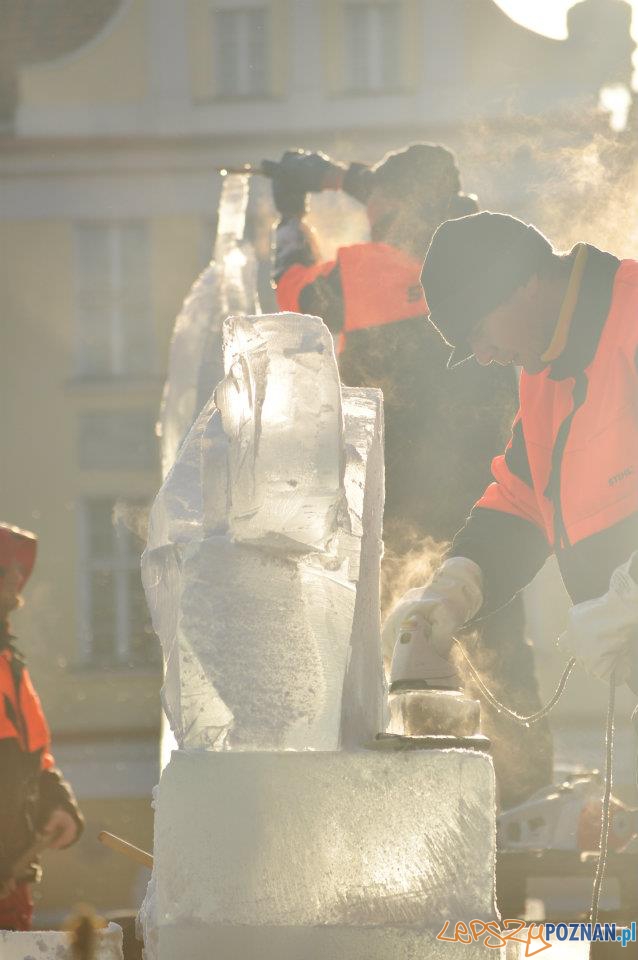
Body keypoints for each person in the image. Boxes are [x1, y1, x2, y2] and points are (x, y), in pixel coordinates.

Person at [269, 147, 552, 809]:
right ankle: (526, 791)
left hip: (399, 502)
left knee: (403, 645)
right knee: (497, 639)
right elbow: (432, 198)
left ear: (391, 209)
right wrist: (357, 179)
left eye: (378, 207)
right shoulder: (477, 258)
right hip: (490, 491)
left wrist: (291, 212)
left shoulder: (368, 268)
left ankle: (418, 793)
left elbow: (294, 298)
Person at [387, 211, 638, 712]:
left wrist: (631, 595)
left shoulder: (630, 319)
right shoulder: (545, 369)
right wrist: (460, 583)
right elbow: (525, 497)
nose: (482, 355)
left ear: (524, 283)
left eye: (479, 331)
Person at [0, 523, 84, 931]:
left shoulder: (10, 663)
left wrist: (58, 805)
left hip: (10, 885)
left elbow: (33, 761)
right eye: (4, 569)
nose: (18, 577)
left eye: (17, 568)